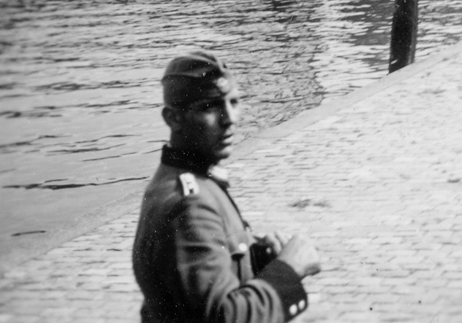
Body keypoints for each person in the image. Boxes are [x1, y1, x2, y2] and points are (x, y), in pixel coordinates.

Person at [133, 49, 321, 323]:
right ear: (173, 118)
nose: (229, 118)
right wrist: (288, 269)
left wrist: (255, 258)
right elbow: (223, 317)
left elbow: (190, 296)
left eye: (234, 102)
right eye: (210, 106)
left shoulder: (183, 180)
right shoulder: (190, 204)